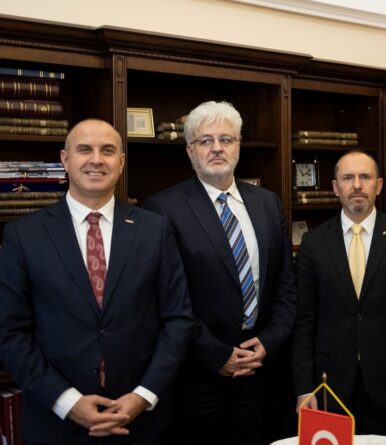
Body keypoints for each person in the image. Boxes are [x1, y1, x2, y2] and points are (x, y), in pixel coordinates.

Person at [0, 119, 193, 444]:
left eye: (107, 150)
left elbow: (178, 320)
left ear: (121, 162)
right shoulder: (23, 236)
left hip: (143, 423)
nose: (96, 159)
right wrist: (67, 402)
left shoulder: (155, 230)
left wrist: (144, 395)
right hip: (56, 424)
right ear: (65, 160)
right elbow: (9, 332)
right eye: (84, 149)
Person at [145, 101, 296, 444]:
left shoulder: (267, 202)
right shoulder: (163, 209)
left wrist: (269, 341)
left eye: (226, 139)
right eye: (205, 141)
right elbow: (170, 298)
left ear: (238, 146)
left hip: (261, 367)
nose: (217, 148)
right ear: (190, 151)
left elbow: (286, 283)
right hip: (198, 373)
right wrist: (217, 354)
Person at [292, 150, 386, 435]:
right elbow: (304, 321)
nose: (357, 185)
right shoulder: (313, 243)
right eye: (348, 178)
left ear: (378, 185)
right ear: (335, 187)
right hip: (328, 385)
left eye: (365, 177)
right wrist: (304, 389)